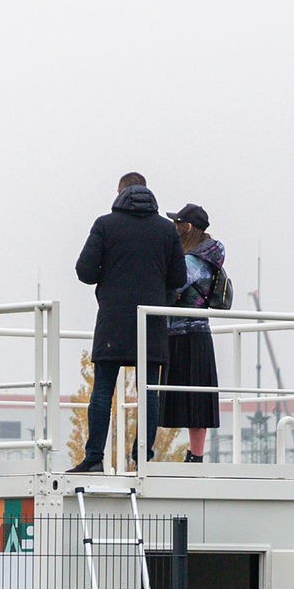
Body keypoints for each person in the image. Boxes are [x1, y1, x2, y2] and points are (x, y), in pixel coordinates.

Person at [70, 173, 187, 473]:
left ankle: (94, 458)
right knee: (149, 393)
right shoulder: (165, 229)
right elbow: (179, 279)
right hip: (150, 322)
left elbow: (84, 271)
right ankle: (142, 460)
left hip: (112, 321)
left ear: (120, 192)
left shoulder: (105, 225)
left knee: (102, 391)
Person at [161, 204, 225, 463]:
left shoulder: (191, 261)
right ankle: (195, 456)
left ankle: (195, 457)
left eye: (177, 223)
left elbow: (171, 288)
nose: (174, 228)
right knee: (198, 397)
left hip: (184, 333)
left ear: (187, 227)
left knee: (191, 397)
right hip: (199, 334)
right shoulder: (208, 258)